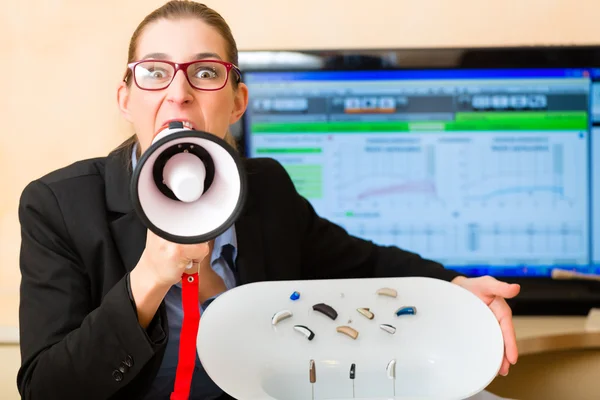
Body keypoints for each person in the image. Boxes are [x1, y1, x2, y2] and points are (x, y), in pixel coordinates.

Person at [16, 1, 521, 399]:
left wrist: (454, 289)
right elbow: (46, 389)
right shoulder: (57, 207)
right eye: (154, 72)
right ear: (126, 98)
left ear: (238, 101)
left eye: (206, 72)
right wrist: (148, 282)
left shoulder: (268, 188)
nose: (179, 92)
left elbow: (362, 264)